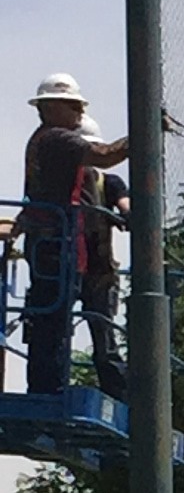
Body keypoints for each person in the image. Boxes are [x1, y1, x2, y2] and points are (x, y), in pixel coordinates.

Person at [15, 75, 129, 398]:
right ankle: (49, 391)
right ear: (51, 107)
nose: (80, 109)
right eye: (73, 104)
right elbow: (106, 155)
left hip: (55, 245)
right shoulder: (56, 141)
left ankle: (46, 388)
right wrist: (145, 133)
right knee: (54, 320)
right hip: (56, 246)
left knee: (51, 319)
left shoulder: (44, 142)